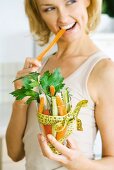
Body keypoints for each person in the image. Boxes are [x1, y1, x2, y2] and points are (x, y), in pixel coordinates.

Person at [6, 0, 114, 169]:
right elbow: (14, 153)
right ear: (39, 15)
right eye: (49, 9)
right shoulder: (40, 67)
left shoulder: (104, 71)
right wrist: (20, 101)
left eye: (71, 1)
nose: (63, 18)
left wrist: (78, 163)